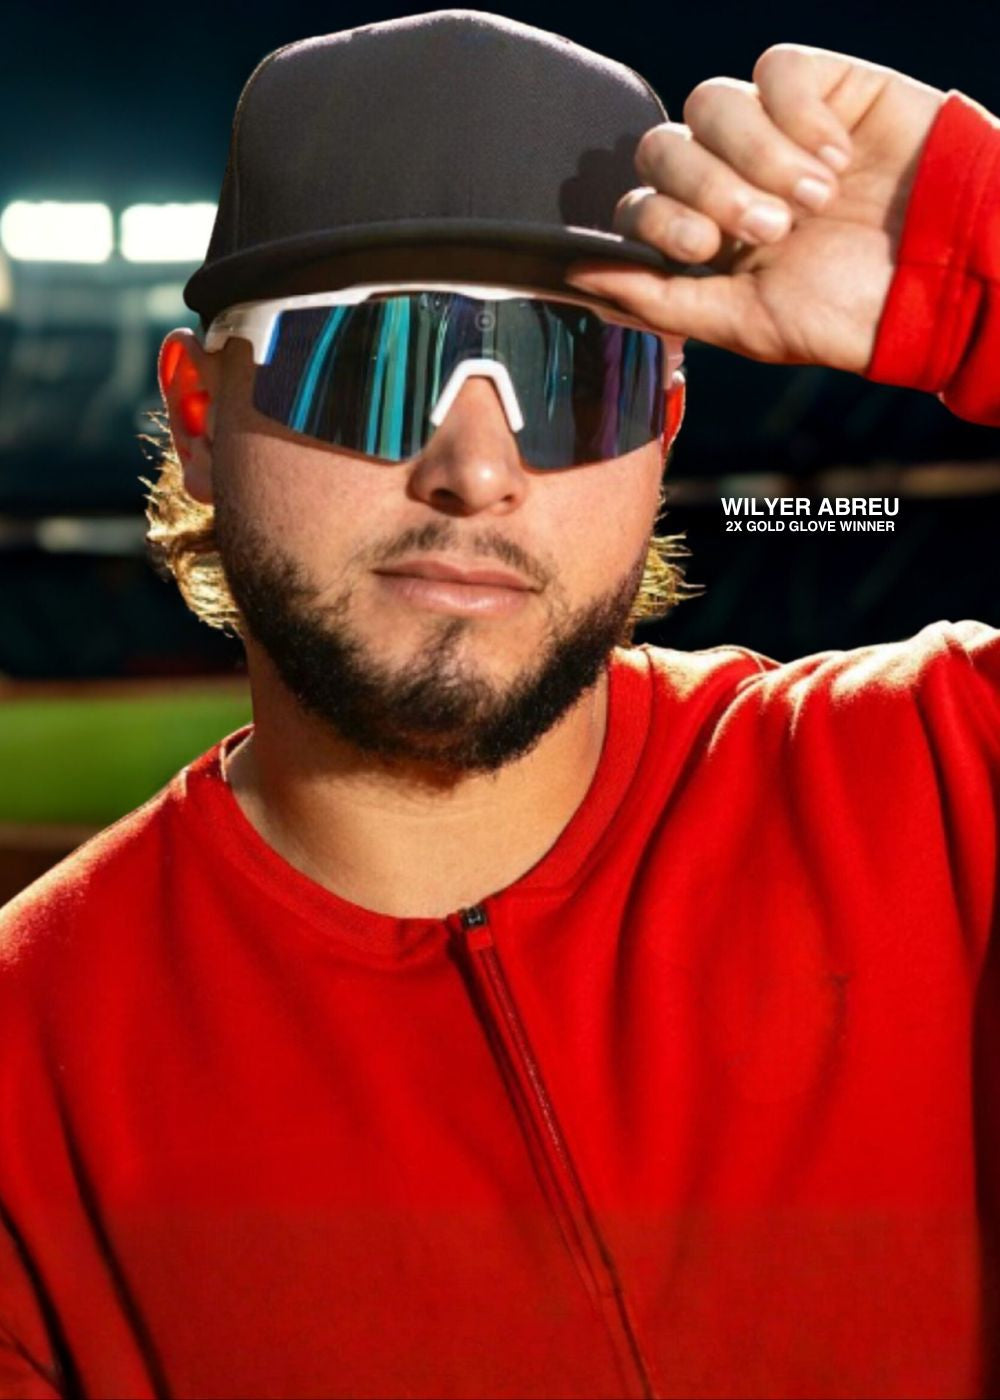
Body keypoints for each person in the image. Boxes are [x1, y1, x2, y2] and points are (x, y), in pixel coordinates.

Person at [1, 9, 999, 1398]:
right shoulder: (23, 1077)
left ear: (664, 430)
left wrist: (973, 253)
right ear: (200, 418)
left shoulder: (943, 785)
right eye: (365, 365)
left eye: (571, 376)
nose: (477, 470)